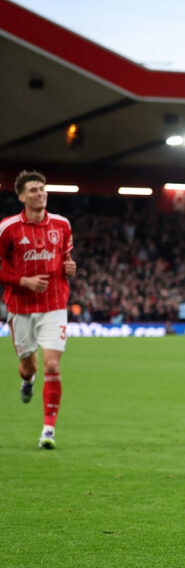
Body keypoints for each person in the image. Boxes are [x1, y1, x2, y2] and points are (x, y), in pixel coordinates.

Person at [0, 170, 76, 449]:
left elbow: (66, 258)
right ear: (21, 196)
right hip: (20, 307)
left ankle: (48, 430)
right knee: (27, 366)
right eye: (33, 190)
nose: (40, 193)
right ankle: (27, 380)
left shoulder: (62, 225)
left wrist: (70, 267)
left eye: (42, 189)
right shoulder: (8, 229)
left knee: (53, 365)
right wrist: (23, 281)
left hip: (54, 304)